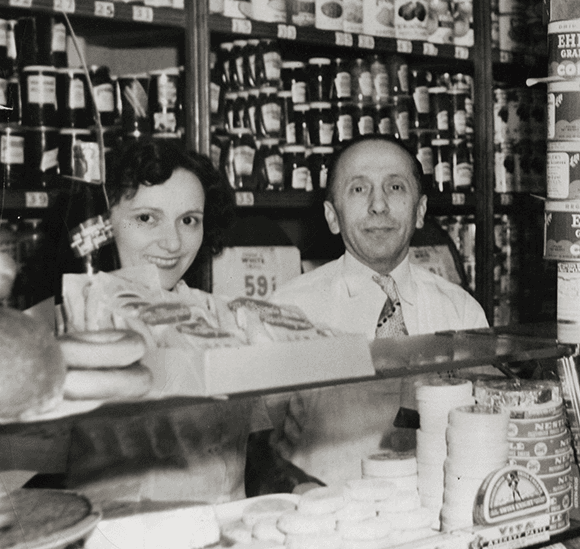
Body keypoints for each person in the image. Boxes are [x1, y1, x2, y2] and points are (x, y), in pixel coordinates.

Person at [267, 135, 487, 488]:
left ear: (420, 211)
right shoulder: (290, 310)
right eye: (358, 189)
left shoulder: (460, 311)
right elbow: (262, 448)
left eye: (395, 187)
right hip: (331, 521)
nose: (378, 205)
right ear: (332, 215)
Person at [61, 138, 268, 508]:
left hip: (230, 545)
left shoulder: (221, 315)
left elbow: (257, 450)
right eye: (146, 218)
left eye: (189, 221)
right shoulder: (70, 321)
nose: (172, 242)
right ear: (101, 224)